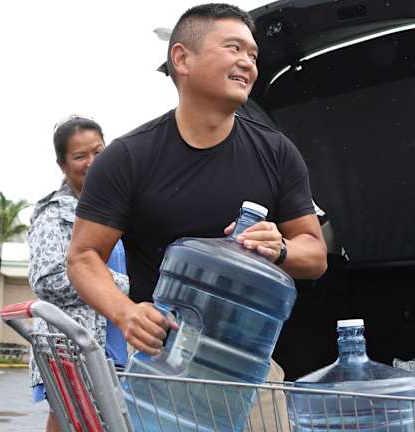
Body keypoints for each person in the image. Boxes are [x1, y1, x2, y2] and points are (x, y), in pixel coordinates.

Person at [67, 3, 327, 356]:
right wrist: (126, 313)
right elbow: (83, 257)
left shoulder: (278, 152)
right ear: (182, 59)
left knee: (269, 413)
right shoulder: (126, 158)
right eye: (233, 48)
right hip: (162, 361)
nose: (248, 62)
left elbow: (315, 255)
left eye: (252, 54)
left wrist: (281, 249)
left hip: (248, 361)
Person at [27, 115, 129, 432]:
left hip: (115, 340)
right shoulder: (54, 213)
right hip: (71, 344)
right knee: (70, 420)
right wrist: (117, 285)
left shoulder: (120, 208)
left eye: (98, 152)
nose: (92, 162)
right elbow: (46, 280)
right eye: (80, 156)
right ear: (62, 165)